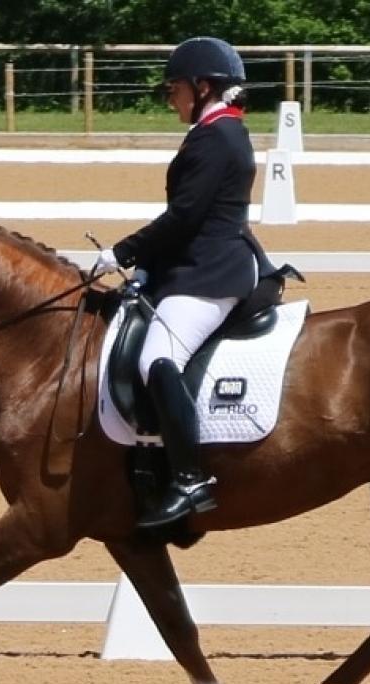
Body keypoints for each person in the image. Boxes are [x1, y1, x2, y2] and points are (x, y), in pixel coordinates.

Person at [94, 36, 259, 529]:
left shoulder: (216, 138)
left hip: (211, 271)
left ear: (203, 87)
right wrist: (149, 269)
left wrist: (123, 252)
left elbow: (185, 217)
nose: (171, 99)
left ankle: (191, 479)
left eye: (175, 90)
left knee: (156, 358)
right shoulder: (220, 131)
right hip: (198, 262)